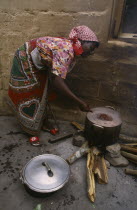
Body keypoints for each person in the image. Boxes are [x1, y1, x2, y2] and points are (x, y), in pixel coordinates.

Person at [8, 25, 99, 136]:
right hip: (25, 58)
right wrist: (79, 102)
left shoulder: (71, 50)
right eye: (91, 47)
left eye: (93, 50)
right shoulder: (66, 50)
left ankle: (42, 121)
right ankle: (30, 130)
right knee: (32, 93)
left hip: (38, 62)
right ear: (81, 41)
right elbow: (57, 82)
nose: (91, 52)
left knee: (44, 92)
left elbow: (55, 74)